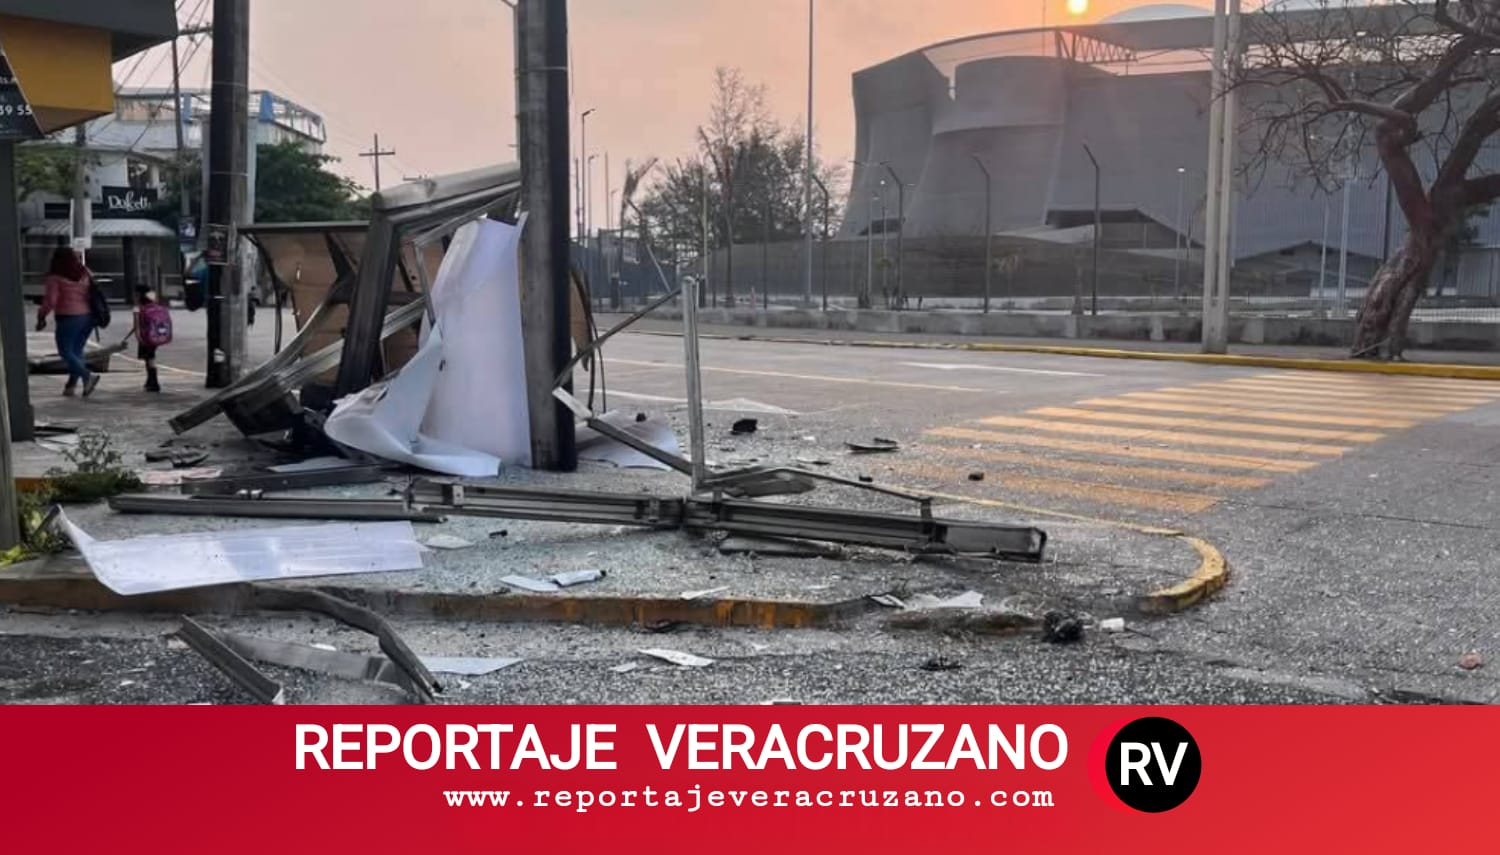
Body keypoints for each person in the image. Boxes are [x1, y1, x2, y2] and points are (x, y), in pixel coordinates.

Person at [36, 247, 100, 398]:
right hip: (88, 317)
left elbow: (51, 301)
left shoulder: (55, 277)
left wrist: (41, 316)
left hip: (69, 317)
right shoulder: (85, 272)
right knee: (76, 352)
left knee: (65, 352)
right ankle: (71, 386)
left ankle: (87, 376)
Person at [123, 286, 171, 392]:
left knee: (149, 358)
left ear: (138, 295)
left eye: (135, 294)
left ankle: (153, 382)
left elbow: (137, 326)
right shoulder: (153, 304)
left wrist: (139, 339)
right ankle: (150, 381)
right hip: (155, 335)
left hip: (145, 337)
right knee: (150, 357)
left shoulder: (137, 307)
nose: (133, 296)